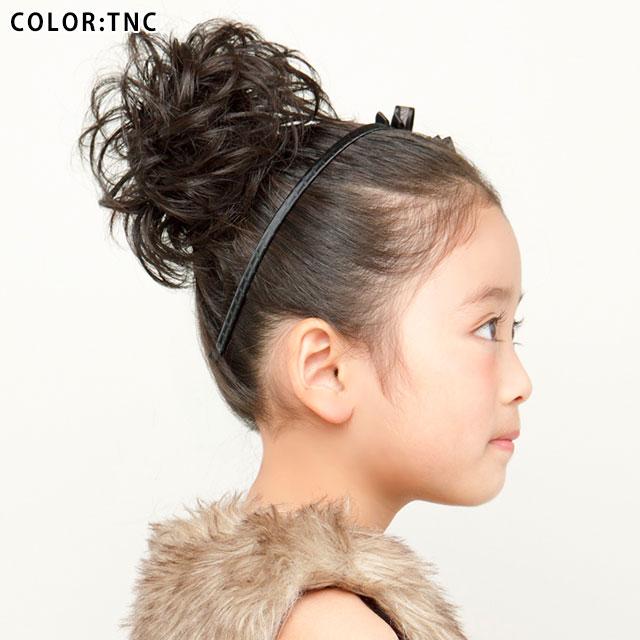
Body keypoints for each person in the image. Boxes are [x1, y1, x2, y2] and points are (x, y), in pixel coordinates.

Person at [77, 16, 532, 640]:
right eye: (485, 328)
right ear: (327, 370)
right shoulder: (334, 628)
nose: (520, 382)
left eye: (512, 329)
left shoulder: (238, 611)